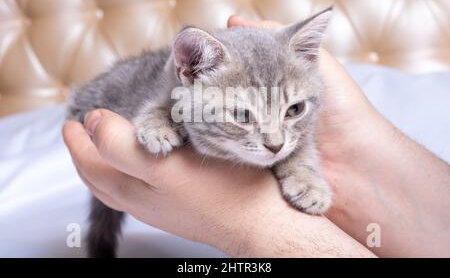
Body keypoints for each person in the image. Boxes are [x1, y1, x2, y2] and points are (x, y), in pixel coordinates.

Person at [63, 16, 450, 257]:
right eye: (244, 116)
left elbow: (295, 138)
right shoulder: (188, 90)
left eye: (294, 110)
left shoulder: (286, 123)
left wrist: (251, 221)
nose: (276, 141)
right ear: (192, 70)